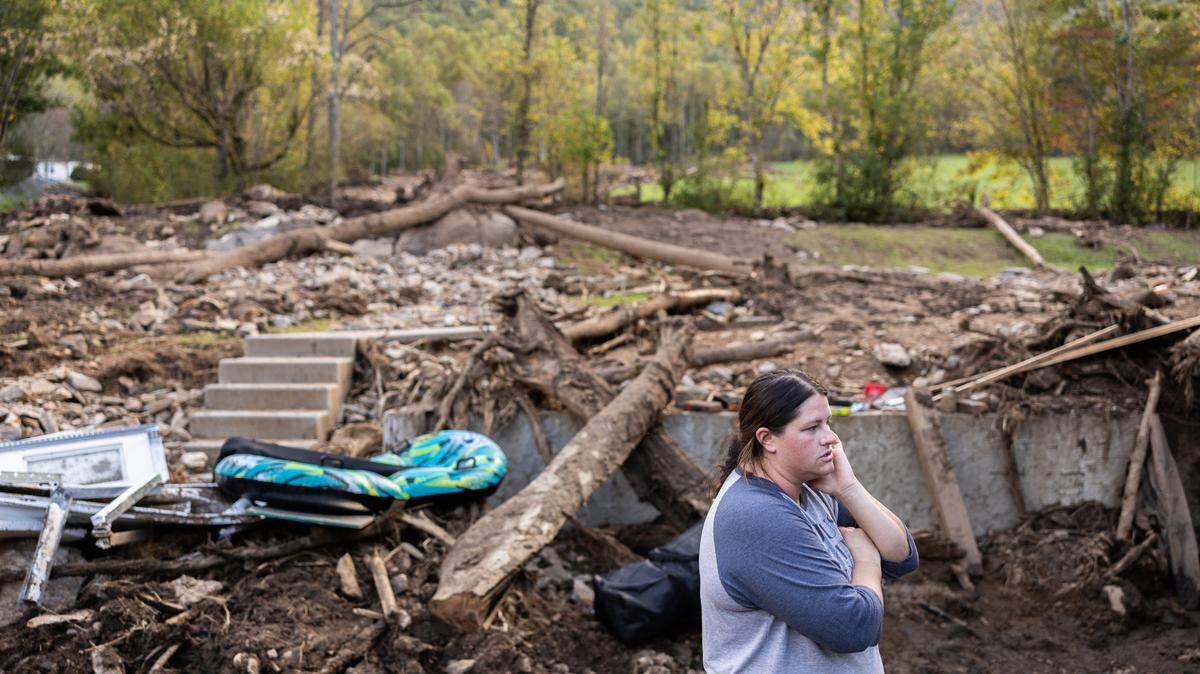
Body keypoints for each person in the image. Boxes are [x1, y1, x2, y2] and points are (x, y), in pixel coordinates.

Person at [699, 369, 919, 673]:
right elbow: (854, 627)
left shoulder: (810, 489)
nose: (831, 438)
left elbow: (901, 556)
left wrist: (848, 489)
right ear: (767, 439)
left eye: (828, 422)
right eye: (812, 427)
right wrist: (867, 563)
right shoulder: (757, 515)